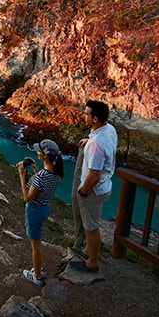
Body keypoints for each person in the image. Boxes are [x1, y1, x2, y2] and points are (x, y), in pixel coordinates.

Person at [71, 100, 118, 273]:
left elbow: (94, 176)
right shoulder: (109, 130)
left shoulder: (96, 145)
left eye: (86, 114)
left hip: (93, 191)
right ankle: (86, 251)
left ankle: (92, 262)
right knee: (90, 224)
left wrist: (83, 192)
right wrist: (88, 140)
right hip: (106, 186)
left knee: (91, 228)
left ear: (95, 118)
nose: (83, 116)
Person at [16, 139, 65, 285]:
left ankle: (37, 276)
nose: (37, 151)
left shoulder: (41, 177)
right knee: (36, 242)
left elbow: (27, 197)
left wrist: (22, 174)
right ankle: (40, 268)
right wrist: (34, 167)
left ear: (45, 156)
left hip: (34, 211)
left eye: (39, 150)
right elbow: (42, 185)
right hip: (44, 208)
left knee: (35, 245)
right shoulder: (55, 172)